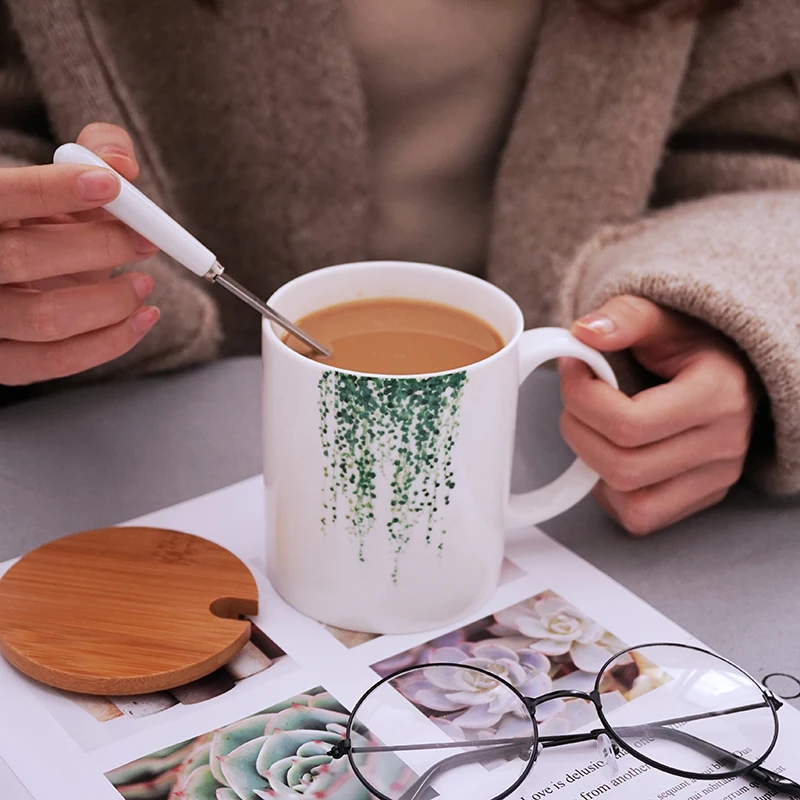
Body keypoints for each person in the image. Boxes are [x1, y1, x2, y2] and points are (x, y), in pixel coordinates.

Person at [0, 0, 798, 535]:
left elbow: (762, 157)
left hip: (572, 468)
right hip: (99, 466)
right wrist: (29, 243)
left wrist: (721, 312)